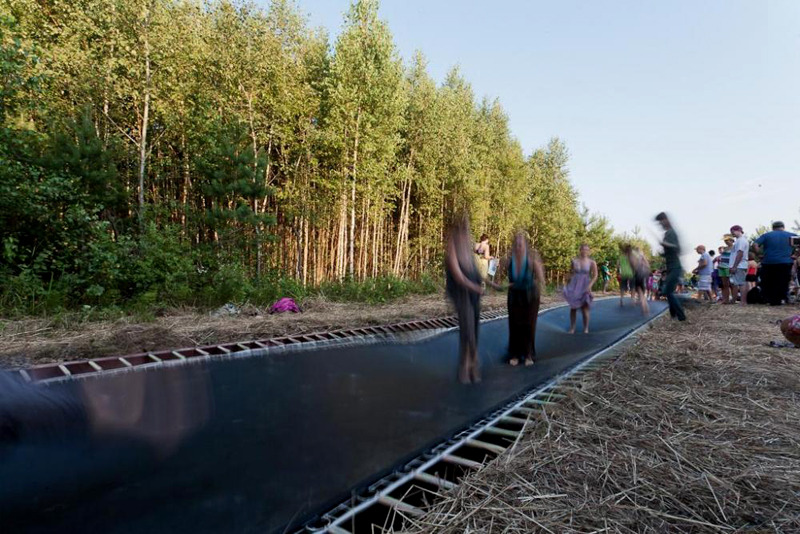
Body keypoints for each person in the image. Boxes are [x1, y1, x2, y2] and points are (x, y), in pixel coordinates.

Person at [446, 217, 484, 384]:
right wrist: (474, 287)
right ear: (459, 230)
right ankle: (470, 363)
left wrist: (490, 283)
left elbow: (475, 271)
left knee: (473, 327)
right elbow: (458, 275)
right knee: (468, 327)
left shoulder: (468, 249)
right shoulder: (452, 247)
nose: (467, 233)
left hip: (473, 293)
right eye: (465, 229)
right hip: (461, 292)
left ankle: (469, 363)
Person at [506, 232, 545, 367]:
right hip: (514, 295)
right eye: (516, 243)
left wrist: (541, 288)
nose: (518, 245)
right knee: (514, 324)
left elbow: (540, 277)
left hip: (530, 296)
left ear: (525, 245)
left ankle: (528, 354)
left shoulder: (531, 259)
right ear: (514, 245)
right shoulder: (509, 259)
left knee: (529, 325)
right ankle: (515, 354)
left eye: (520, 243)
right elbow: (502, 278)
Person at [753, 221, 798, 306]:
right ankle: (782, 298)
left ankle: (771, 299)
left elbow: (755, 244)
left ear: (773, 227)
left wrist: (759, 254)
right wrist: (796, 255)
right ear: (783, 227)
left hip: (768, 261)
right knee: (783, 281)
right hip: (785, 262)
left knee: (768, 281)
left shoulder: (766, 235)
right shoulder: (792, 235)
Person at [655, 212, 686, 321]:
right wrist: (662, 253)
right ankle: (673, 316)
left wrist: (665, 244)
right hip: (671, 267)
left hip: (675, 266)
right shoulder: (667, 233)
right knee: (667, 291)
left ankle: (681, 316)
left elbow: (678, 248)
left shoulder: (671, 232)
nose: (660, 225)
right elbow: (670, 251)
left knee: (668, 291)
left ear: (665, 220)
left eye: (660, 222)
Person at [563, 244, 597, 333]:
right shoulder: (574, 261)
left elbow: (595, 275)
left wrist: (590, 285)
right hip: (574, 285)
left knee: (585, 307)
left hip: (585, 284)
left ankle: (586, 328)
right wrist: (567, 282)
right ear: (580, 250)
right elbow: (571, 273)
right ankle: (572, 328)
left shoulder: (591, 262)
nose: (584, 251)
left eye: (586, 250)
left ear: (589, 251)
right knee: (573, 307)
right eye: (583, 249)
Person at [729, 225, 750, 305]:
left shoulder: (741, 241)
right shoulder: (739, 240)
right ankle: (742, 301)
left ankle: (743, 301)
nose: (732, 234)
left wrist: (734, 266)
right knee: (739, 283)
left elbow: (740, 253)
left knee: (741, 283)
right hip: (739, 265)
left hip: (739, 265)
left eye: (733, 232)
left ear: (738, 230)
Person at [718, 236, 734, 303]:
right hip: (722, 267)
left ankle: (734, 299)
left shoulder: (734, 248)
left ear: (731, 240)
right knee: (724, 284)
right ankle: (725, 299)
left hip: (729, 267)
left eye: (727, 240)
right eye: (725, 240)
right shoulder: (724, 248)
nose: (726, 241)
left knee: (732, 284)